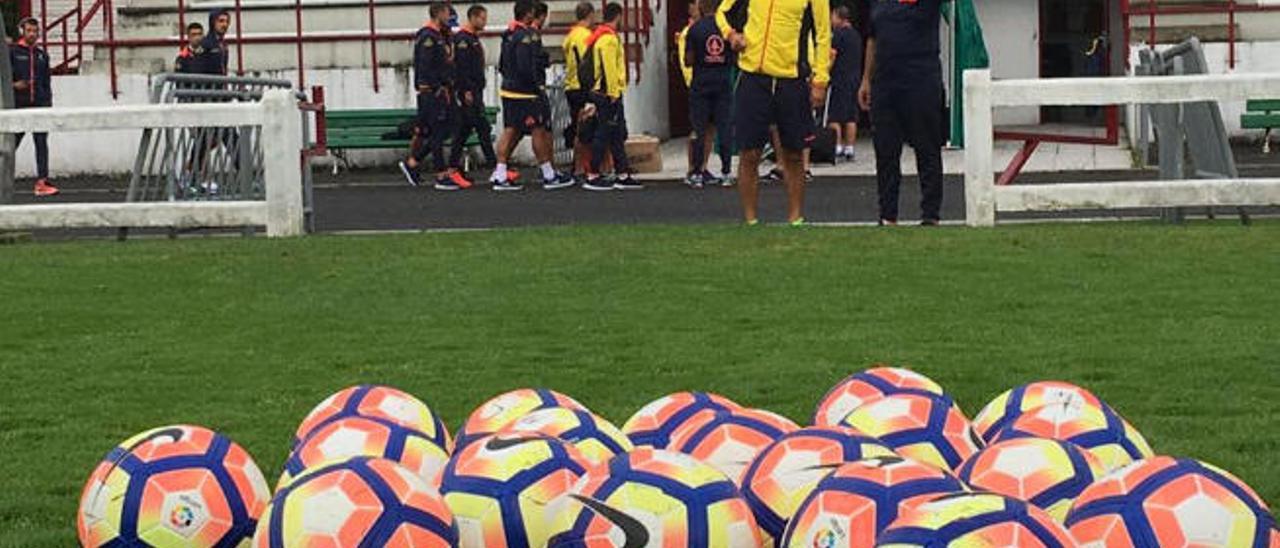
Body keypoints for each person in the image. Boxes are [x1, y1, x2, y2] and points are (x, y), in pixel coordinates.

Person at [717, 0, 831, 225]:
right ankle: (750, 220)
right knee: (749, 152)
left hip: (791, 79)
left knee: (794, 153)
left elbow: (823, 34)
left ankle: (795, 217)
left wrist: (820, 79)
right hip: (752, 76)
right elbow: (722, 12)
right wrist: (731, 35)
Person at [859, 0, 944, 226]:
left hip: (921, 77)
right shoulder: (878, 4)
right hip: (885, 81)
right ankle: (888, 215)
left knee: (927, 147)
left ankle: (930, 214)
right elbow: (872, 38)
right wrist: (866, 79)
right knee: (886, 150)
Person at [490, 0, 575, 191]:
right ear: (528, 14)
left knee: (512, 129)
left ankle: (500, 172)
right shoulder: (526, 36)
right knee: (538, 129)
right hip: (526, 93)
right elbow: (526, 66)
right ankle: (548, 173)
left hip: (509, 90)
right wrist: (536, 85)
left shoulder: (508, 33)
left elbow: (503, 64)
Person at [581, 2, 641, 191]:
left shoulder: (600, 36)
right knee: (604, 133)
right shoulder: (608, 39)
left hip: (605, 92)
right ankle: (593, 173)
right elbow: (609, 69)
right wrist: (613, 93)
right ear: (618, 16)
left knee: (616, 134)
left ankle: (622, 173)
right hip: (607, 94)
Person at [398, 3, 456, 189]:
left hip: (438, 90)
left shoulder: (439, 36)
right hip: (431, 93)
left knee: (438, 132)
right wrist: (436, 87)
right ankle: (441, 175)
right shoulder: (428, 37)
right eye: (447, 14)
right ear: (438, 14)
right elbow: (426, 66)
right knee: (438, 132)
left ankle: (413, 163)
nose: (449, 18)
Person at [684, 0, 735, 188]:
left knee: (700, 129)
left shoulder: (695, 29)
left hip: (701, 83)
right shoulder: (727, 29)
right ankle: (726, 171)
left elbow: (688, 60)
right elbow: (735, 54)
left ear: (702, 7)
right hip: (722, 81)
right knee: (724, 127)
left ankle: (697, 172)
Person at [447, 5, 498, 187]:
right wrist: (466, 90)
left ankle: (452, 168)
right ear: (474, 18)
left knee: (464, 131)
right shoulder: (463, 40)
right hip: (469, 92)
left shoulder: (472, 39)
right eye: (483, 18)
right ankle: (495, 168)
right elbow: (462, 68)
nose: (485, 22)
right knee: (482, 128)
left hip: (476, 90)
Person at [10, 17, 57, 197]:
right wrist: (15, 86)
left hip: (39, 105)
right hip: (18, 106)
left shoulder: (42, 55)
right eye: (29, 30)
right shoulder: (12, 52)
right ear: (22, 31)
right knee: (10, 144)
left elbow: (47, 82)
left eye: (35, 31)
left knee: (41, 143)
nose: (32, 34)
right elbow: (4, 79)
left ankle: (42, 182)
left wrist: (48, 104)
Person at [562, 2, 596, 179]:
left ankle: (578, 166)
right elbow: (588, 63)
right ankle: (581, 167)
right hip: (581, 86)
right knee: (584, 127)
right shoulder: (585, 36)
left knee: (578, 125)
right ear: (590, 14)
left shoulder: (570, 35)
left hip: (571, 85)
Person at [828, 6, 862, 162]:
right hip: (854, 78)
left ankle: (837, 146)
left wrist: (824, 72)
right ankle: (850, 148)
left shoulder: (837, 35)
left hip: (839, 78)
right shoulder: (856, 36)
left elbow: (832, 56)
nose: (830, 20)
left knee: (834, 115)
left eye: (832, 17)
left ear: (839, 17)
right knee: (851, 115)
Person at [191, 9, 231, 75]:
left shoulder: (223, 44)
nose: (225, 25)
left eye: (227, 22)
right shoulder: (205, 44)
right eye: (221, 21)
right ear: (213, 22)